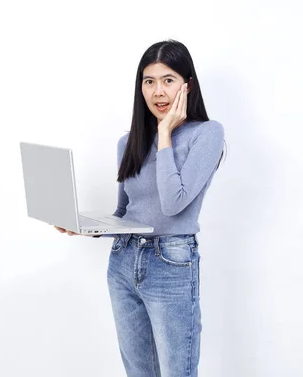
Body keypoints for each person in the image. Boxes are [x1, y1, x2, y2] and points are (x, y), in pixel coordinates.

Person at [55, 39, 225, 376]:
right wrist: (86, 226)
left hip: (171, 264)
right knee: (139, 372)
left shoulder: (207, 134)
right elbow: (126, 215)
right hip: (122, 262)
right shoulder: (128, 142)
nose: (158, 91)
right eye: (149, 81)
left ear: (187, 85)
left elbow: (173, 203)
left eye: (168, 80)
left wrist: (164, 134)